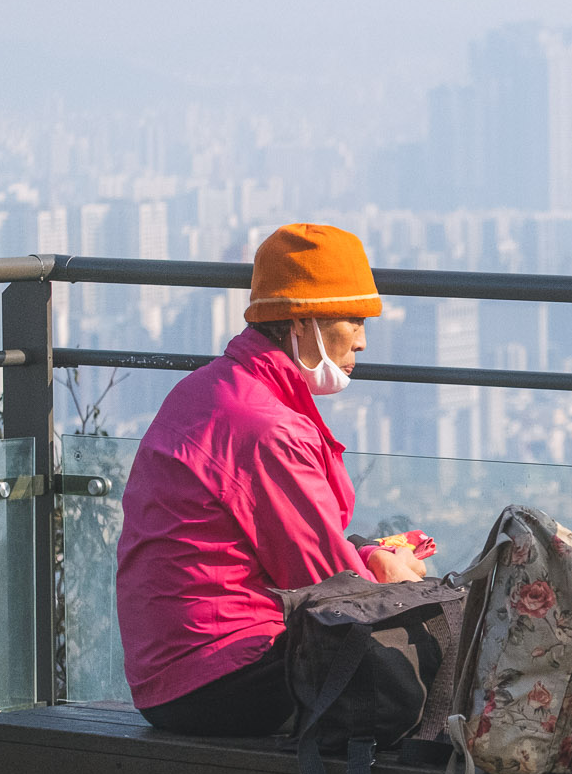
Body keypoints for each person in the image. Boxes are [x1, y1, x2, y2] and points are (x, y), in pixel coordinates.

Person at [115, 223, 424, 736]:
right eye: (352, 319)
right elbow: (332, 590)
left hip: (169, 672)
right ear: (302, 321)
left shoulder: (211, 388)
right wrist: (396, 585)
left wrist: (371, 556)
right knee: (421, 672)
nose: (363, 341)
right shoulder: (268, 428)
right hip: (222, 673)